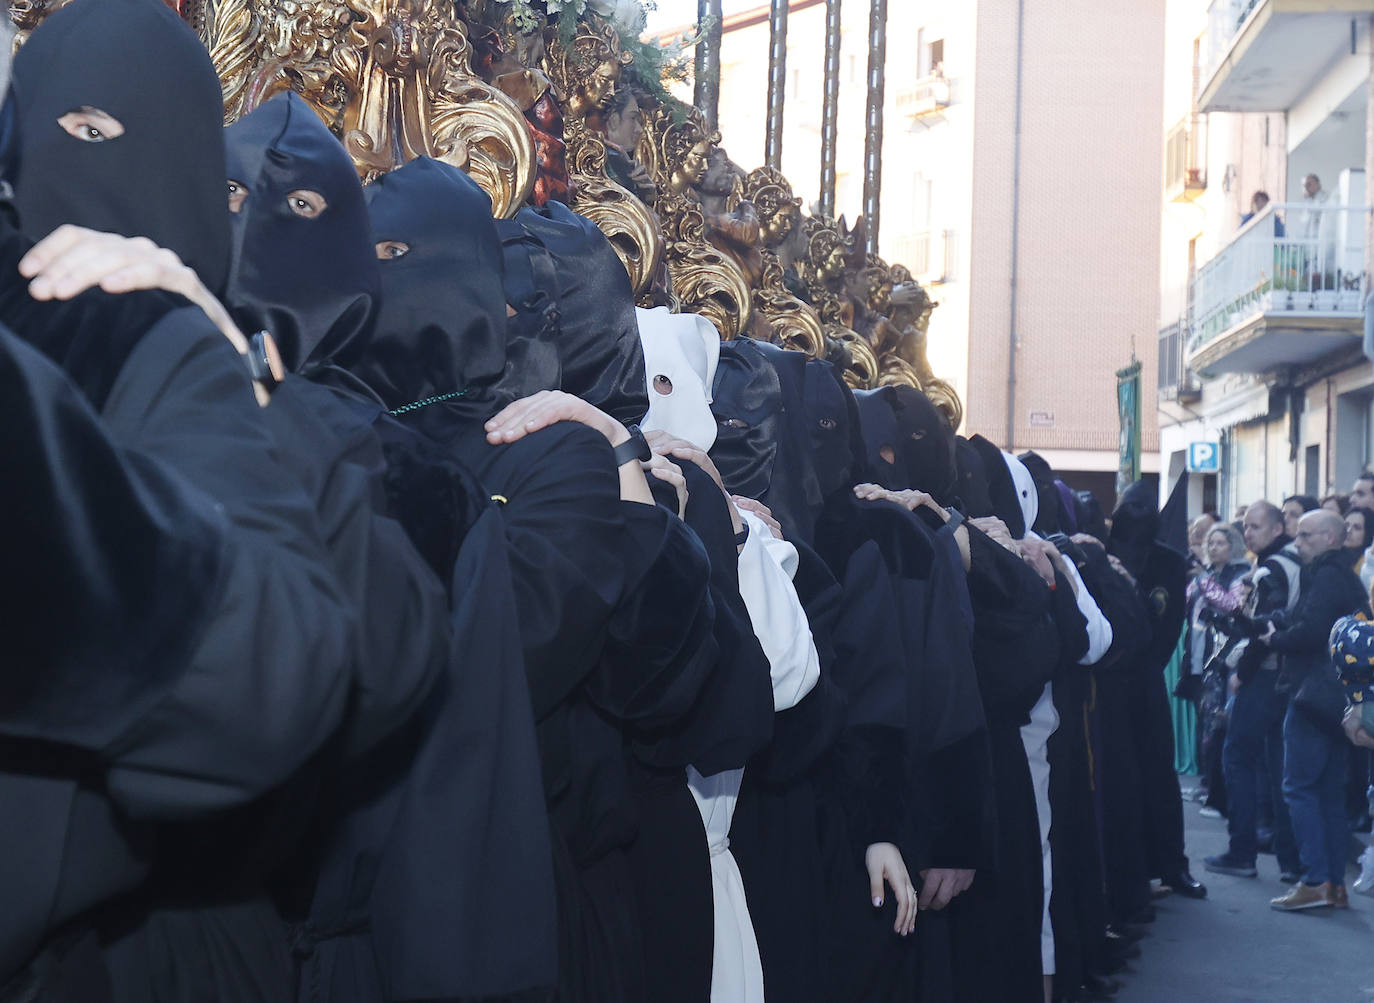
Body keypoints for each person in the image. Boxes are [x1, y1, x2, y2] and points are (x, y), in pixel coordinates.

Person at [1262, 509, 1370, 910]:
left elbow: (1309, 633)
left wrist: (1276, 638)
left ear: (1331, 539)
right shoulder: (1346, 577)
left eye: (1306, 535)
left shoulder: (1326, 576)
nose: (1298, 542)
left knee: (1300, 787)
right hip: (1337, 700)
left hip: (1313, 696)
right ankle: (1333, 886)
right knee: (1327, 793)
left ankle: (1315, 881)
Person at [1205, 501, 1302, 883]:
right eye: (1245, 526)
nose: (1248, 533)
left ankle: (1242, 851)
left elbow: (1265, 629)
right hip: (1286, 677)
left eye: (1256, 527)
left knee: (1239, 759)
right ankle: (1292, 861)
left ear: (1277, 529)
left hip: (1264, 676)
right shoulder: (1292, 562)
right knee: (1280, 770)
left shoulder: (1271, 570)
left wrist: (1243, 672)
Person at [1187, 522, 1251, 820]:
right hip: (1203, 658)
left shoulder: (1241, 573)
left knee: (1218, 728)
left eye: (1220, 543)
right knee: (1207, 725)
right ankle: (1209, 785)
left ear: (1233, 545)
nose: (1213, 548)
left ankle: (1219, 795)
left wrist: (1204, 582)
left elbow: (1233, 605)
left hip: (1227, 658)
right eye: (1210, 543)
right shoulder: (1208, 575)